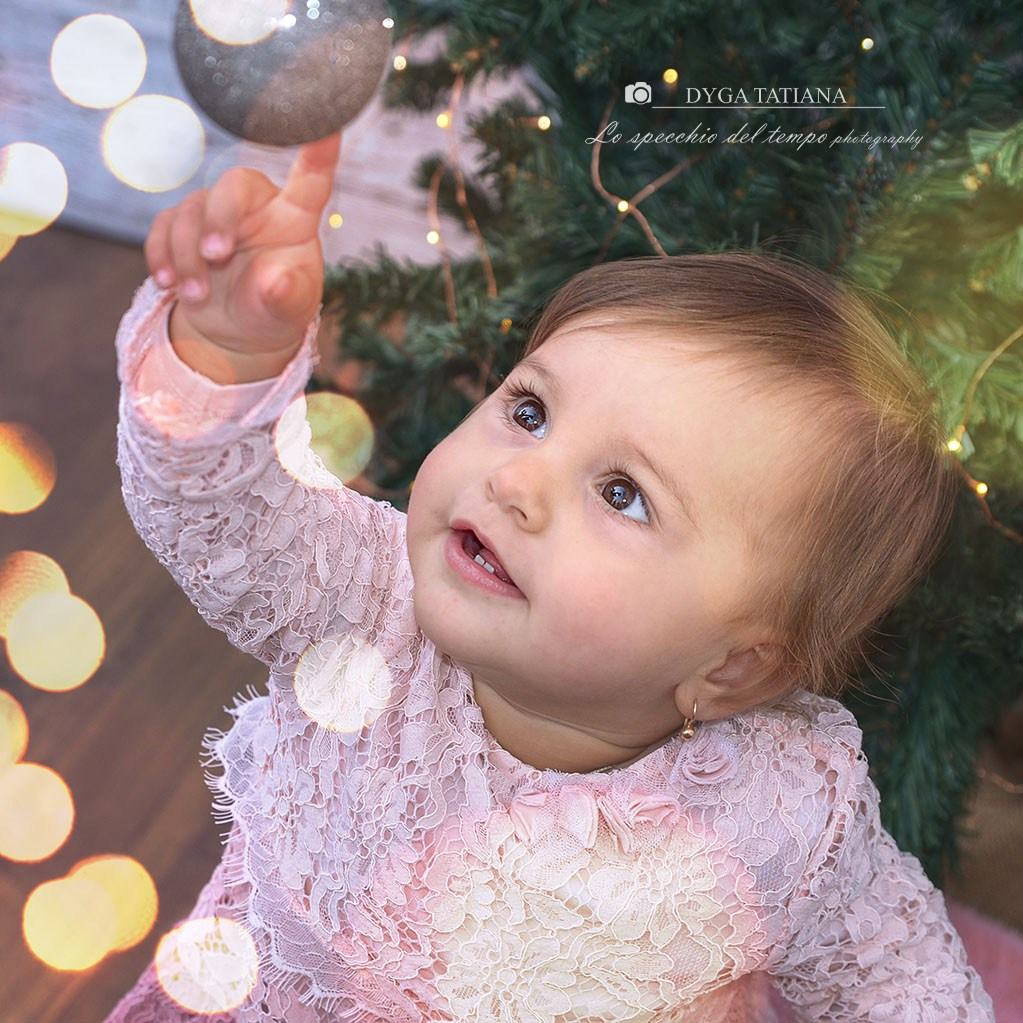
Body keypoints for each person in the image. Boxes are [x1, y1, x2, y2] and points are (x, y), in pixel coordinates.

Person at [105, 133, 994, 1022]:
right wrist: (224, 349)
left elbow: (895, 970)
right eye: (529, 411)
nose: (516, 481)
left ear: (731, 667)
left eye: (622, 494)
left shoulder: (777, 810)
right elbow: (215, 509)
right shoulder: (364, 603)